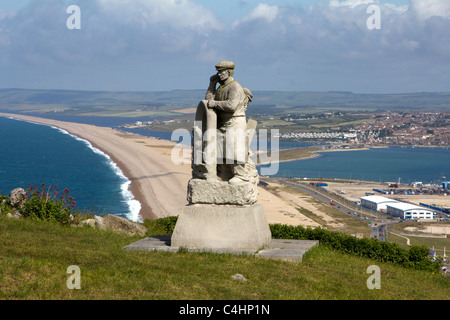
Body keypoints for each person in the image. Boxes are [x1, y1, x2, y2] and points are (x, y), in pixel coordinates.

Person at [205, 61, 257, 185]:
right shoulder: (220, 87)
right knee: (221, 150)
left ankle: (241, 175)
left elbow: (231, 105)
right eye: (218, 72)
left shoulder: (235, 87)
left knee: (235, 149)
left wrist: (216, 104)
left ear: (229, 72)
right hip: (222, 123)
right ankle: (224, 174)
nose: (219, 74)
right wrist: (212, 84)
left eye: (222, 71)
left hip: (234, 122)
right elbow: (208, 101)